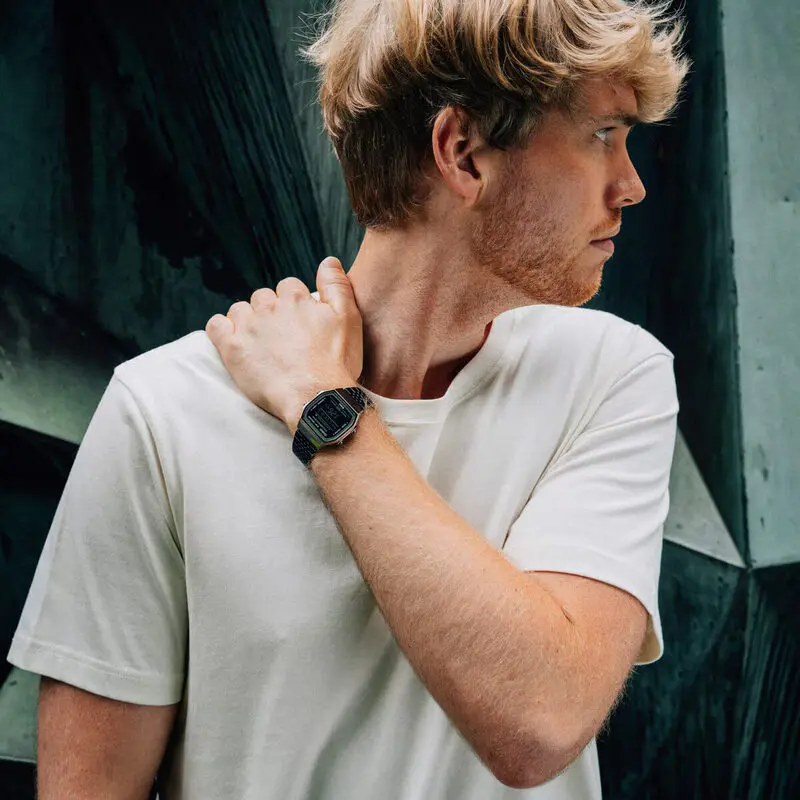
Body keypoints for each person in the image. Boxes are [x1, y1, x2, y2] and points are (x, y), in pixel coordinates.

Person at [8, 0, 689, 797]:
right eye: (603, 135)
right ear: (463, 153)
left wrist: (322, 406)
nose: (632, 186)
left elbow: (540, 720)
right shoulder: (163, 413)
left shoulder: (611, 376)